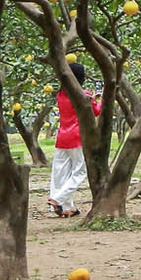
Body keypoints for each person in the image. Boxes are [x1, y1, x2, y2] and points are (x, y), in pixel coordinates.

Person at [48, 63, 100, 218]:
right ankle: (57, 199)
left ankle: (67, 207)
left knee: (60, 173)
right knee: (79, 172)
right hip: (77, 137)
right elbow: (96, 111)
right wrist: (100, 99)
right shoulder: (83, 94)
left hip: (62, 137)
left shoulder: (60, 94)